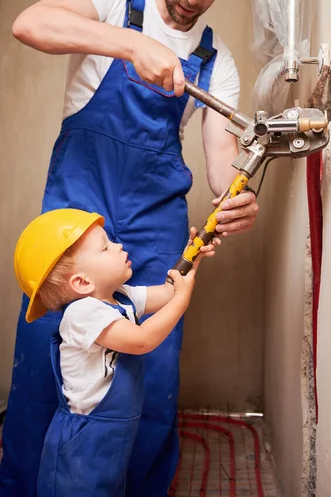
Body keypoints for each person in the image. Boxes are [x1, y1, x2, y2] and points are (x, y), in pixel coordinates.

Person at [1, 0, 259, 495]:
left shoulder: (215, 64)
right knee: (47, 352)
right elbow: (28, 23)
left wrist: (235, 198)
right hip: (76, 217)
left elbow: (221, 167)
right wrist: (129, 44)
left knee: (152, 365)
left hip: (154, 220)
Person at [13, 208, 215, 497]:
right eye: (105, 247)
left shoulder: (121, 296)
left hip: (112, 438)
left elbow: (170, 291)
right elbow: (142, 339)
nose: (118, 245)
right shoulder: (83, 314)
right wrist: (182, 301)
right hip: (83, 443)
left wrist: (190, 259)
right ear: (82, 282)